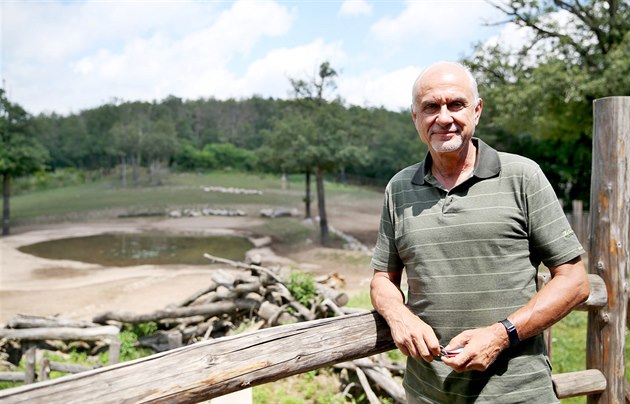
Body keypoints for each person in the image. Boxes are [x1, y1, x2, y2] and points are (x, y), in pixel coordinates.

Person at [370, 61, 590, 403]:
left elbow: (575, 281)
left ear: (477, 110)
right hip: (427, 393)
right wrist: (398, 316)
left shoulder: (522, 176)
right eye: (431, 106)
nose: (444, 117)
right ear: (415, 116)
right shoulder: (398, 188)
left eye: (455, 104)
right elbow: (382, 278)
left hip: (517, 393)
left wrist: (502, 335)